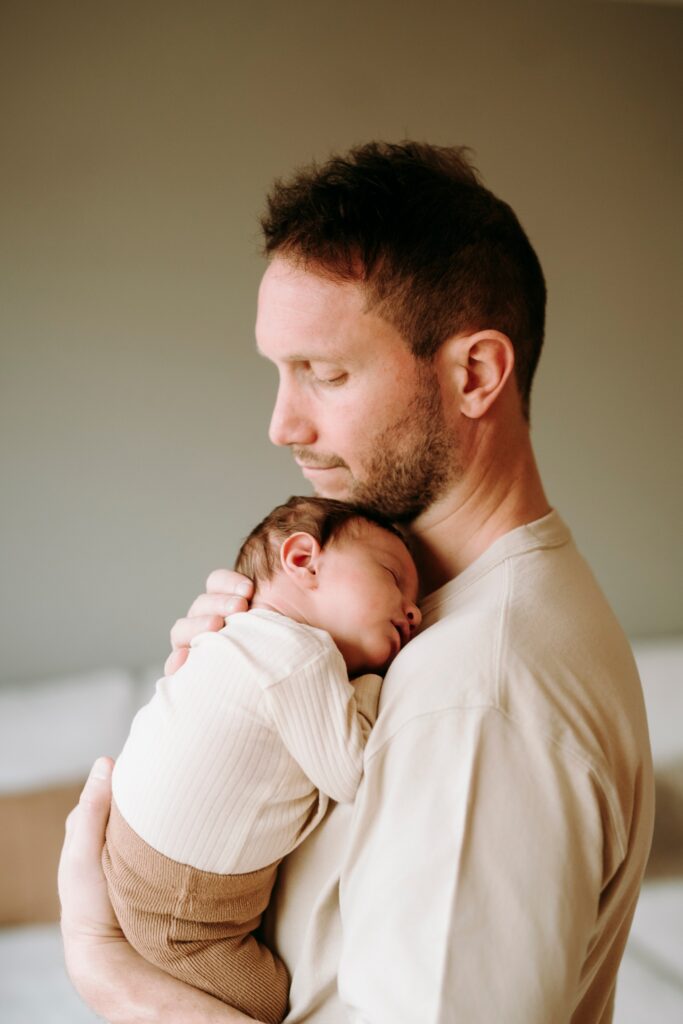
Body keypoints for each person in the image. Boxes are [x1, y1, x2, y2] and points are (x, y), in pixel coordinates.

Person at [59, 141, 654, 1023]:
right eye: (279, 371)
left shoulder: (474, 701)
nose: (280, 423)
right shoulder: (424, 622)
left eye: (324, 373)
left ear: (474, 373)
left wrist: (117, 980)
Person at [102, 495, 420, 1024]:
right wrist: (371, 685)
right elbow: (357, 772)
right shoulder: (300, 654)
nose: (413, 610)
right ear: (302, 560)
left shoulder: (236, 637)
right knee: (273, 1002)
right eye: (392, 577)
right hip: (184, 916)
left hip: (139, 866)